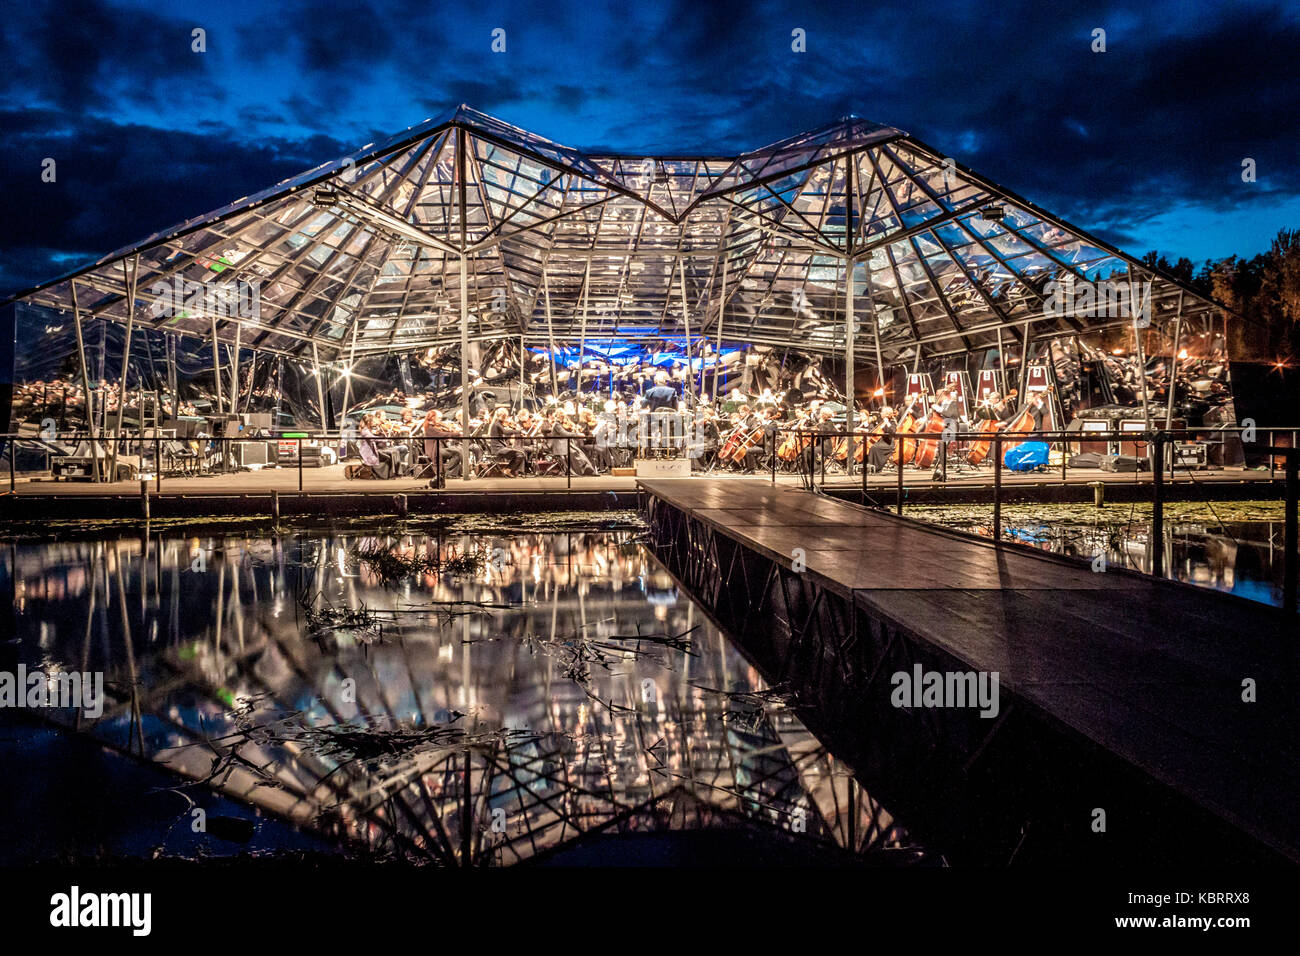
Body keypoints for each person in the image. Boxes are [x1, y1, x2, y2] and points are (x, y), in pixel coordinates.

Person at [487, 406, 525, 477]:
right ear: (503, 415)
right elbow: (505, 431)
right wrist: (519, 431)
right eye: (506, 416)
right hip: (498, 449)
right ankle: (508, 470)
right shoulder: (497, 424)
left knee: (520, 453)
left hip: (500, 448)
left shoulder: (497, 424)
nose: (507, 418)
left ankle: (508, 470)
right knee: (520, 454)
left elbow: (504, 433)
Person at [866, 406, 898, 473]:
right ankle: (869, 466)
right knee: (870, 447)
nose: (880, 413)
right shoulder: (881, 422)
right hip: (881, 441)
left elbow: (892, 432)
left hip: (888, 443)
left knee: (874, 447)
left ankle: (876, 467)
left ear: (887, 414)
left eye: (882, 412)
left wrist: (887, 423)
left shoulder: (892, 422)